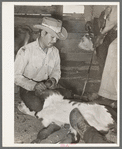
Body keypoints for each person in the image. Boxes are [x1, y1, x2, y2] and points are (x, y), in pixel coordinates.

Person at [14, 17, 68, 112]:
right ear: (43, 33)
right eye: (52, 37)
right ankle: (25, 106)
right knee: (38, 106)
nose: (55, 41)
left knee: (68, 97)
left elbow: (56, 70)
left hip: (47, 85)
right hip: (29, 88)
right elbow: (16, 76)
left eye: (56, 38)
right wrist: (34, 85)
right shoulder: (26, 51)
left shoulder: (55, 51)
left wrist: (53, 80)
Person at [84, 5, 117, 76]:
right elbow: (88, 5)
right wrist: (88, 20)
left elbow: (112, 19)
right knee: (101, 50)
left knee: (115, 51)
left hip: (116, 22)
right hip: (99, 21)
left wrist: (101, 34)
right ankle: (103, 77)